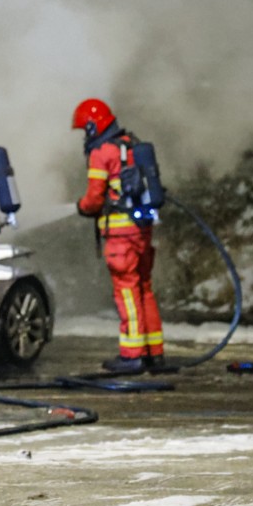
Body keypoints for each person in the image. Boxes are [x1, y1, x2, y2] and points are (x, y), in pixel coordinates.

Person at [71, 97, 167, 375]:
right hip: (141, 230)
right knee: (144, 289)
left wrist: (82, 207)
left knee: (126, 291)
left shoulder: (102, 152)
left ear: (92, 126)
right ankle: (154, 352)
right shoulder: (131, 143)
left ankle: (132, 354)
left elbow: (94, 197)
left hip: (120, 236)